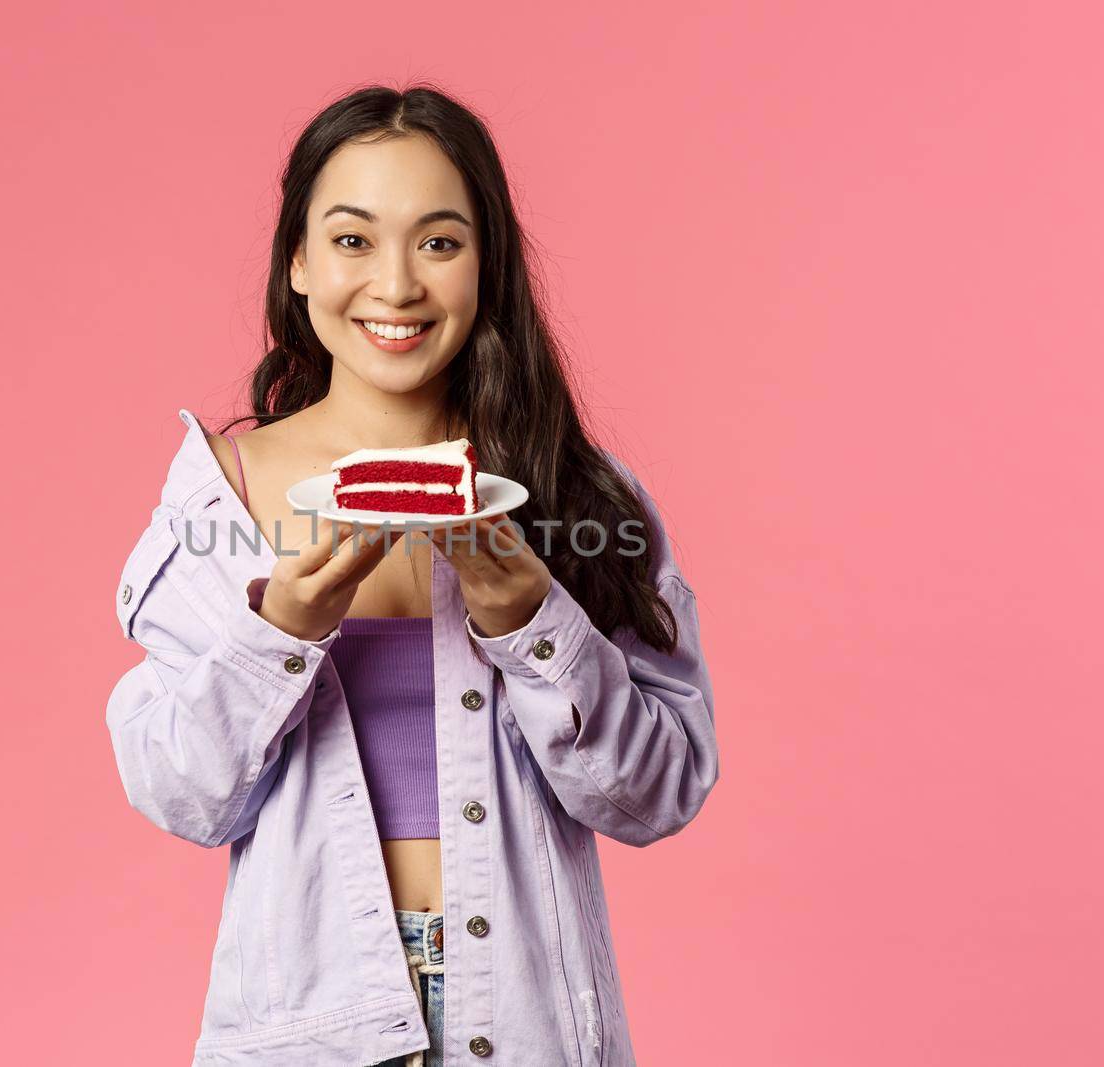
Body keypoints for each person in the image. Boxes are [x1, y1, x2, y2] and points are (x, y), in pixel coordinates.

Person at [105, 83, 720, 1067]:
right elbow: (184, 793)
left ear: (487, 268)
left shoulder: (574, 493)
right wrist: (284, 628)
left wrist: (529, 615)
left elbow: (657, 792)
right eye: (352, 240)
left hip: (528, 1023)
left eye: (438, 242)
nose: (395, 284)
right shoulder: (223, 493)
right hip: (310, 1024)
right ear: (298, 264)